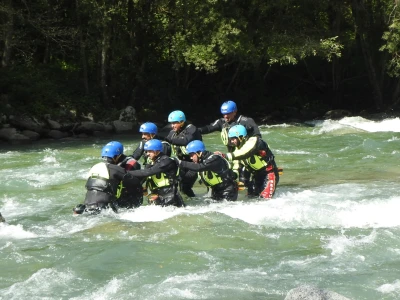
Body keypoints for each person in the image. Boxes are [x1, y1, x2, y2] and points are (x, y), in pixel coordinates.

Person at [199, 100, 262, 186]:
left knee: (244, 180)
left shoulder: (246, 121)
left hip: (245, 154)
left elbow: (257, 137)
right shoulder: (222, 122)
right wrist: (195, 131)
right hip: (232, 155)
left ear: (235, 112)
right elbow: (208, 128)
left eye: (228, 113)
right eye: (224, 114)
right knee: (231, 177)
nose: (225, 116)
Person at [73, 141, 143, 214]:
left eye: (109, 158)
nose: (107, 160)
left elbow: (133, 182)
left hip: (127, 195)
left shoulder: (130, 164)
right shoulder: (111, 167)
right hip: (112, 197)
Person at [220, 125, 279, 199]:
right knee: (251, 198)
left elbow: (245, 152)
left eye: (233, 139)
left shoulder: (254, 141)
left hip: (269, 174)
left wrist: (225, 156)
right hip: (256, 176)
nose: (231, 142)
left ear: (241, 137)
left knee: (265, 200)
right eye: (230, 139)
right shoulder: (237, 150)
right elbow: (237, 166)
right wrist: (231, 176)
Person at [124, 139, 185, 207]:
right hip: (157, 195)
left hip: (170, 196)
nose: (147, 154)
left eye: (150, 151)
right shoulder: (152, 162)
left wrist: (126, 173)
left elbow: (148, 172)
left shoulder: (166, 161)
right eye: (146, 151)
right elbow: (144, 176)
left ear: (157, 151)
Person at [165, 110, 202, 197]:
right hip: (182, 164)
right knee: (179, 187)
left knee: (185, 187)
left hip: (194, 163)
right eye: (171, 123)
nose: (172, 125)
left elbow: (185, 140)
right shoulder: (172, 133)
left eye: (175, 123)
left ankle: (195, 206)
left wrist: (167, 139)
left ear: (182, 122)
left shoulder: (191, 129)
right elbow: (166, 143)